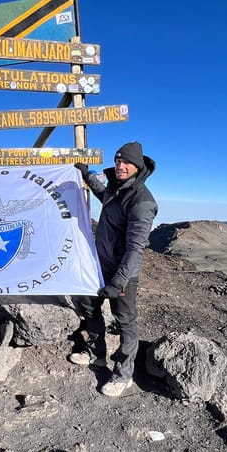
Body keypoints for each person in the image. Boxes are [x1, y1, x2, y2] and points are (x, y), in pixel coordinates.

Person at [72, 141, 158, 397]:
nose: (121, 165)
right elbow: (103, 194)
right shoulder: (115, 188)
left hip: (123, 275)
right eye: (118, 160)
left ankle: (123, 375)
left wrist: (118, 282)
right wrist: (86, 173)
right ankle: (96, 354)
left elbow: (135, 249)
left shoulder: (142, 202)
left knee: (125, 322)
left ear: (138, 166)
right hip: (99, 265)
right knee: (88, 306)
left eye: (127, 162)